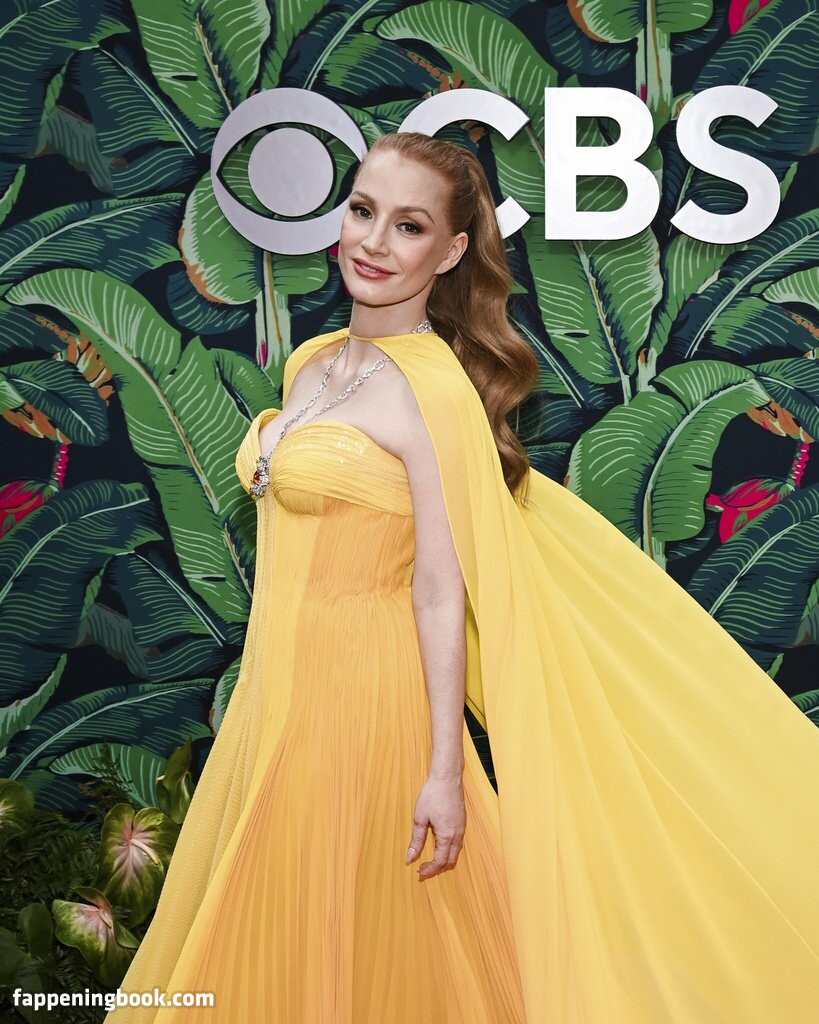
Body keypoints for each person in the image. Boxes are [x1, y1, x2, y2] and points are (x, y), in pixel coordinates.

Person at [105, 133, 819, 1024]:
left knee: (363, 938)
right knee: (297, 933)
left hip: (367, 704)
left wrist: (442, 770)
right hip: (277, 693)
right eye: (363, 211)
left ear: (447, 254)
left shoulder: (433, 395)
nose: (373, 242)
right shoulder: (312, 361)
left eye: (408, 227)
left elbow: (440, 589)